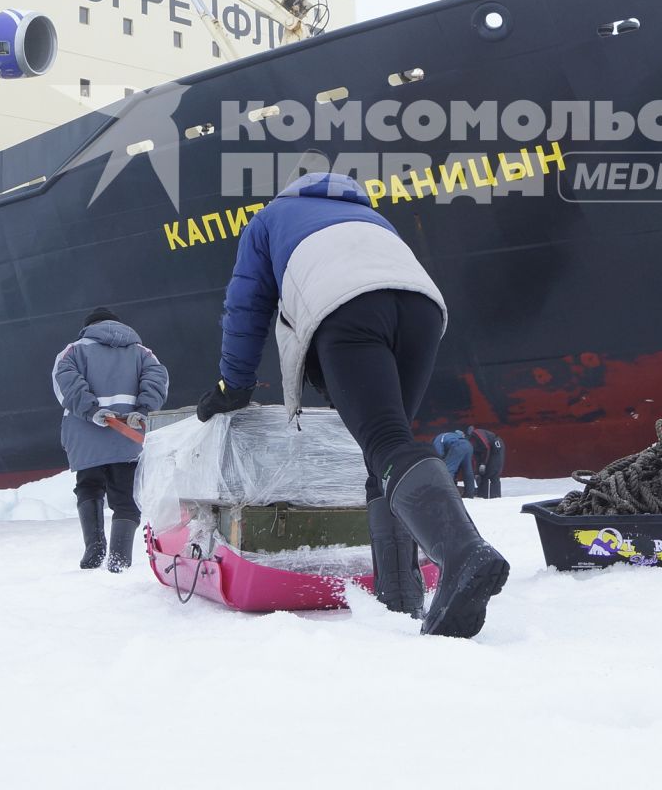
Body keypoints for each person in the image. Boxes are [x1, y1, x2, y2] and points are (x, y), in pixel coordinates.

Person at [196, 171, 510, 638]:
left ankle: (461, 552)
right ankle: (400, 598)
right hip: (422, 312)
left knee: (384, 441)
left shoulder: (269, 219)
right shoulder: (370, 216)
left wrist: (232, 386)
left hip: (347, 307)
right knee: (387, 449)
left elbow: (246, 307)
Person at [52, 307, 169, 571]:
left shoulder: (74, 351)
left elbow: (66, 385)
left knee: (89, 487)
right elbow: (157, 380)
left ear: (88, 328)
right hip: (128, 433)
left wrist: (92, 410)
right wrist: (143, 411)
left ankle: (94, 548)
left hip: (86, 434)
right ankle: (119, 559)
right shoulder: (142, 352)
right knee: (126, 498)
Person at [432, 430, 476, 498]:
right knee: (467, 471)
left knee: (448, 470)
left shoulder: (439, 438)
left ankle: (447, 493)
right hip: (469, 445)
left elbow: (439, 454)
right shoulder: (455, 436)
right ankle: (469, 494)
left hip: (458, 445)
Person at [466, 425, 506, 499]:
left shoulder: (477, 434)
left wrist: (483, 464)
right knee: (482, 474)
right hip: (486, 452)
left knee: (494, 472)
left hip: (496, 449)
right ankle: (482, 495)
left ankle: (495, 497)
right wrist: (476, 471)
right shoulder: (469, 442)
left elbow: (486, 448)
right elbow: (475, 458)